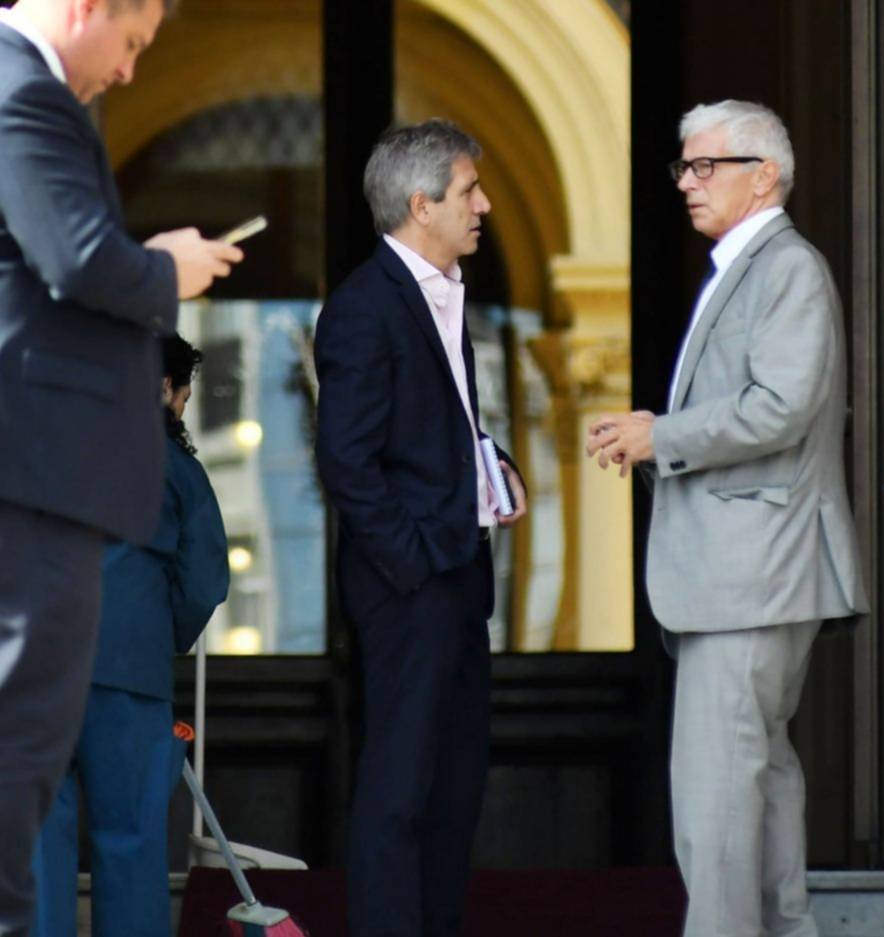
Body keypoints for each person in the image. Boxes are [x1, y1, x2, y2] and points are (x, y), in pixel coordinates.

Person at [0, 1, 242, 932]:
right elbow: (77, 263)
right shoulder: (23, 94)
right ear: (87, 7)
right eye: (132, 42)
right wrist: (168, 268)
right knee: (4, 730)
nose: (129, 71)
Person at [586, 100, 867, 937]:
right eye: (684, 166)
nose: (686, 182)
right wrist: (657, 434)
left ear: (764, 175)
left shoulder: (787, 268)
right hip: (747, 574)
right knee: (760, 781)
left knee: (714, 803)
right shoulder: (753, 267)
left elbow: (781, 406)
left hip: (751, 575)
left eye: (706, 166)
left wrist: (661, 435)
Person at [314, 119, 528, 937]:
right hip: (410, 585)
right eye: (470, 190)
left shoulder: (441, 290)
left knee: (454, 786)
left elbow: (431, 429)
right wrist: (416, 559)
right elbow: (348, 463)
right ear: (421, 203)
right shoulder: (364, 307)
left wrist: (489, 465)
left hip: (456, 575)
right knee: (400, 791)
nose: (485, 205)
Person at [32, 334, 229, 937]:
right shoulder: (178, 469)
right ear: (164, 387)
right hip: (130, 672)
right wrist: (162, 635)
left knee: (37, 844)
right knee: (130, 841)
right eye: (183, 398)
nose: (182, 411)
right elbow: (204, 582)